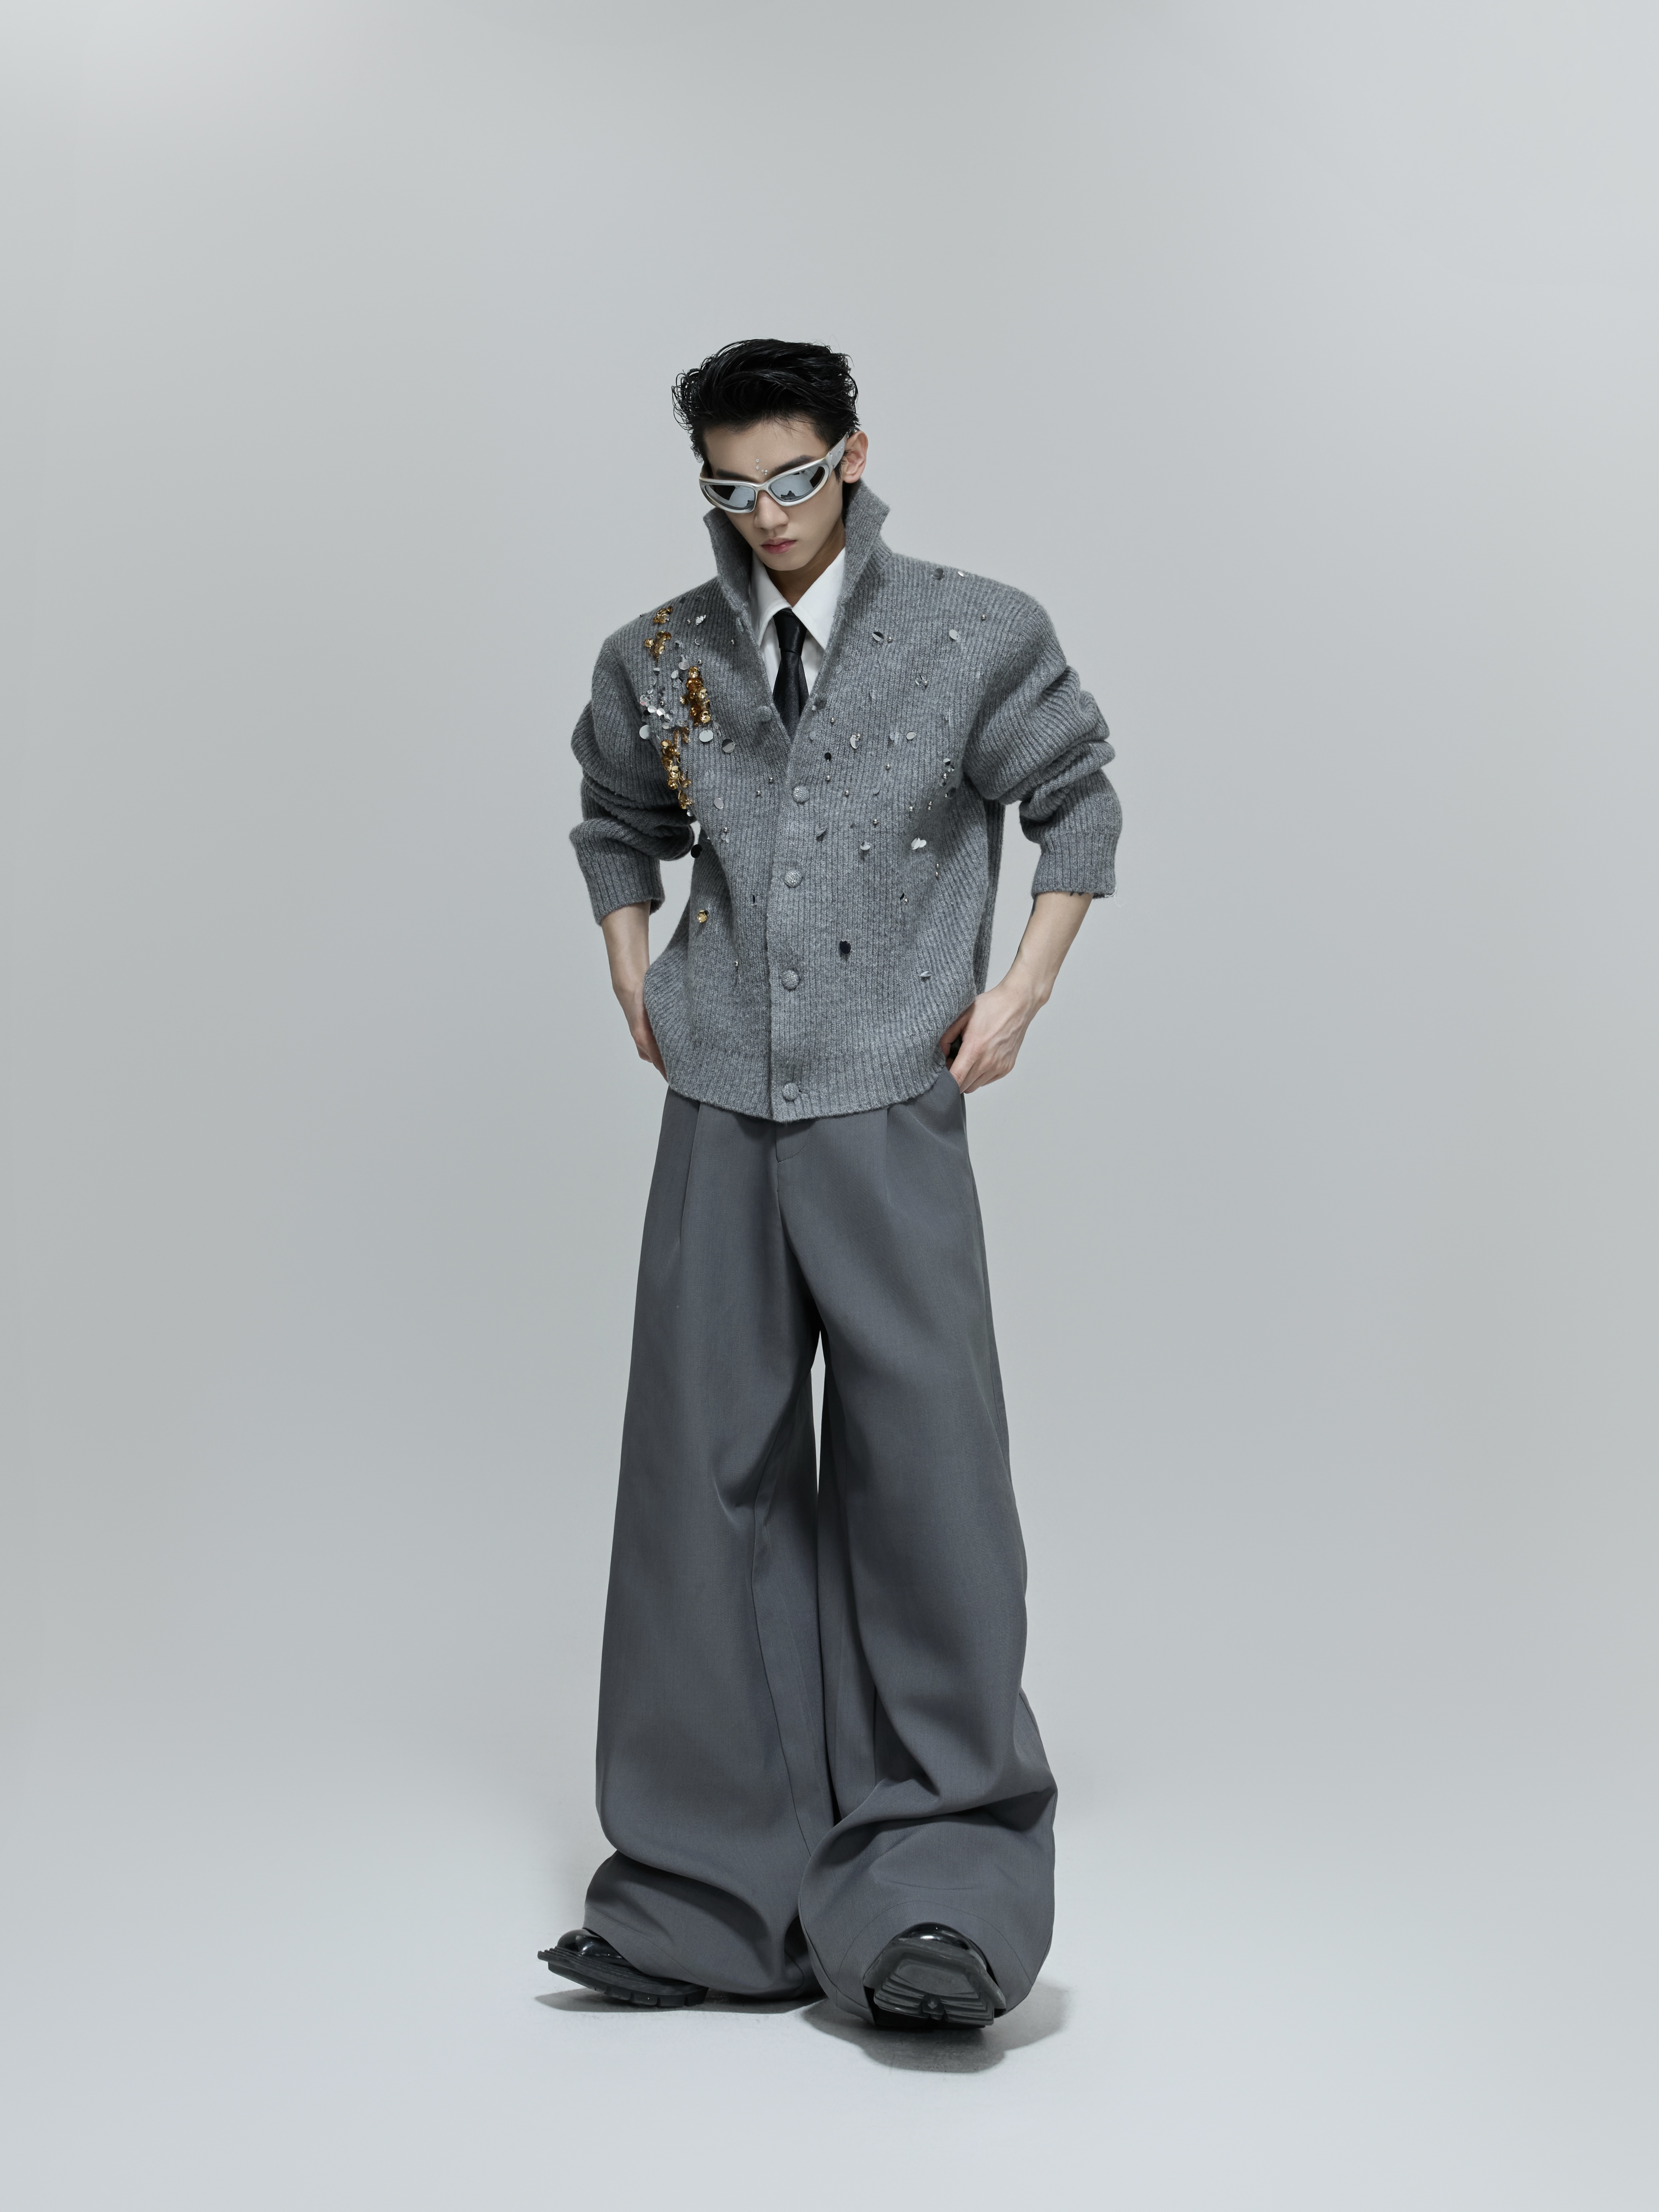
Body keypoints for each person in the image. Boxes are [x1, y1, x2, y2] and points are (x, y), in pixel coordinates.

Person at [540, 338, 1121, 2029]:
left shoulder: (972, 632)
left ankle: (939, 1886)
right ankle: (708, 1892)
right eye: (731, 489)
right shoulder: (662, 654)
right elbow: (613, 816)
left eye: (792, 478)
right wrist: (632, 963)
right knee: (699, 1474)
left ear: (852, 457)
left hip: (887, 1096)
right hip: (719, 1096)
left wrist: (1019, 993)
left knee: (925, 1469)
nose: (766, 514)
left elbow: (1079, 806)